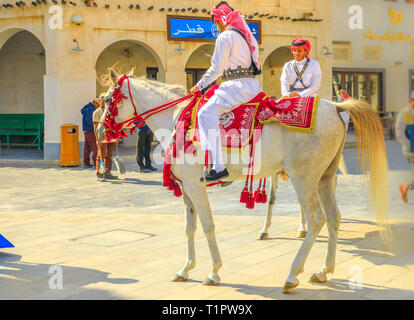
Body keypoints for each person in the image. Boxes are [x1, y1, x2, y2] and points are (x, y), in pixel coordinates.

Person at [190, 1, 262, 182]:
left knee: (205, 113)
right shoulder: (244, 36)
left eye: (215, 20)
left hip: (235, 88)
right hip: (250, 86)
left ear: (221, 19)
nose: (215, 24)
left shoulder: (225, 37)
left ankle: (219, 167)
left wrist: (198, 86)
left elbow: (216, 69)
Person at [93, 96, 118, 180]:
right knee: (101, 155)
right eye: (102, 100)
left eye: (106, 100)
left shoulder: (110, 111)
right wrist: (97, 139)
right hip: (102, 137)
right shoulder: (97, 112)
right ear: (99, 101)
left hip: (111, 137)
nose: (104, 102)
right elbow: (96, 127)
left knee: (109, 156)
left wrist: (117, 136)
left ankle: (107, 172)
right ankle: (99, 172)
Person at [396, 90, 414, 203]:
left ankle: (405, 187)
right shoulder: (404, 114)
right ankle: (405, 187)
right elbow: (400, 134)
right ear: (411, 101)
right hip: (410, 151)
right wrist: (411, 145)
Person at [80, 99, 99, 168]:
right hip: (90, 131)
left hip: (86, 130)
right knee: (95, 147)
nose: (98, 105)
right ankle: (95, 163)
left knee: (87, 148)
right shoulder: (91, 109)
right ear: (94, 102)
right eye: (98, 103)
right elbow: (89, 119)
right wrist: (95, 128)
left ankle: (86, 163)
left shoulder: (88, 108)